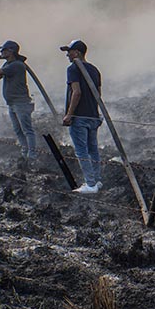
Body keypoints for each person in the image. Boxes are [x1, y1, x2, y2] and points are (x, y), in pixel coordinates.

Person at [0, 40, 37, 161]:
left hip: (21, 103)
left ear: (11, 51)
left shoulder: (16, 65)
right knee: (18, 130)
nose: (1, 52)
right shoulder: (7, 65)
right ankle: (25, 153)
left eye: (4, 50)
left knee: (27, 130)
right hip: (13, 103)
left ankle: (32, 155)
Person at [60, 39, 103, 194]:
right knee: (93, 149)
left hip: (79, 117)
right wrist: (95, 113)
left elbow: (76, 92)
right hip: (92, 116)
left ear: (77, 52)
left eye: (69, 51)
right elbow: (98, 94)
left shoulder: (73, 68)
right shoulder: (95, 70)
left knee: (82, 151)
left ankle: (90, 184)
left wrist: (69, 115)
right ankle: (97, 181)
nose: (67, 55)